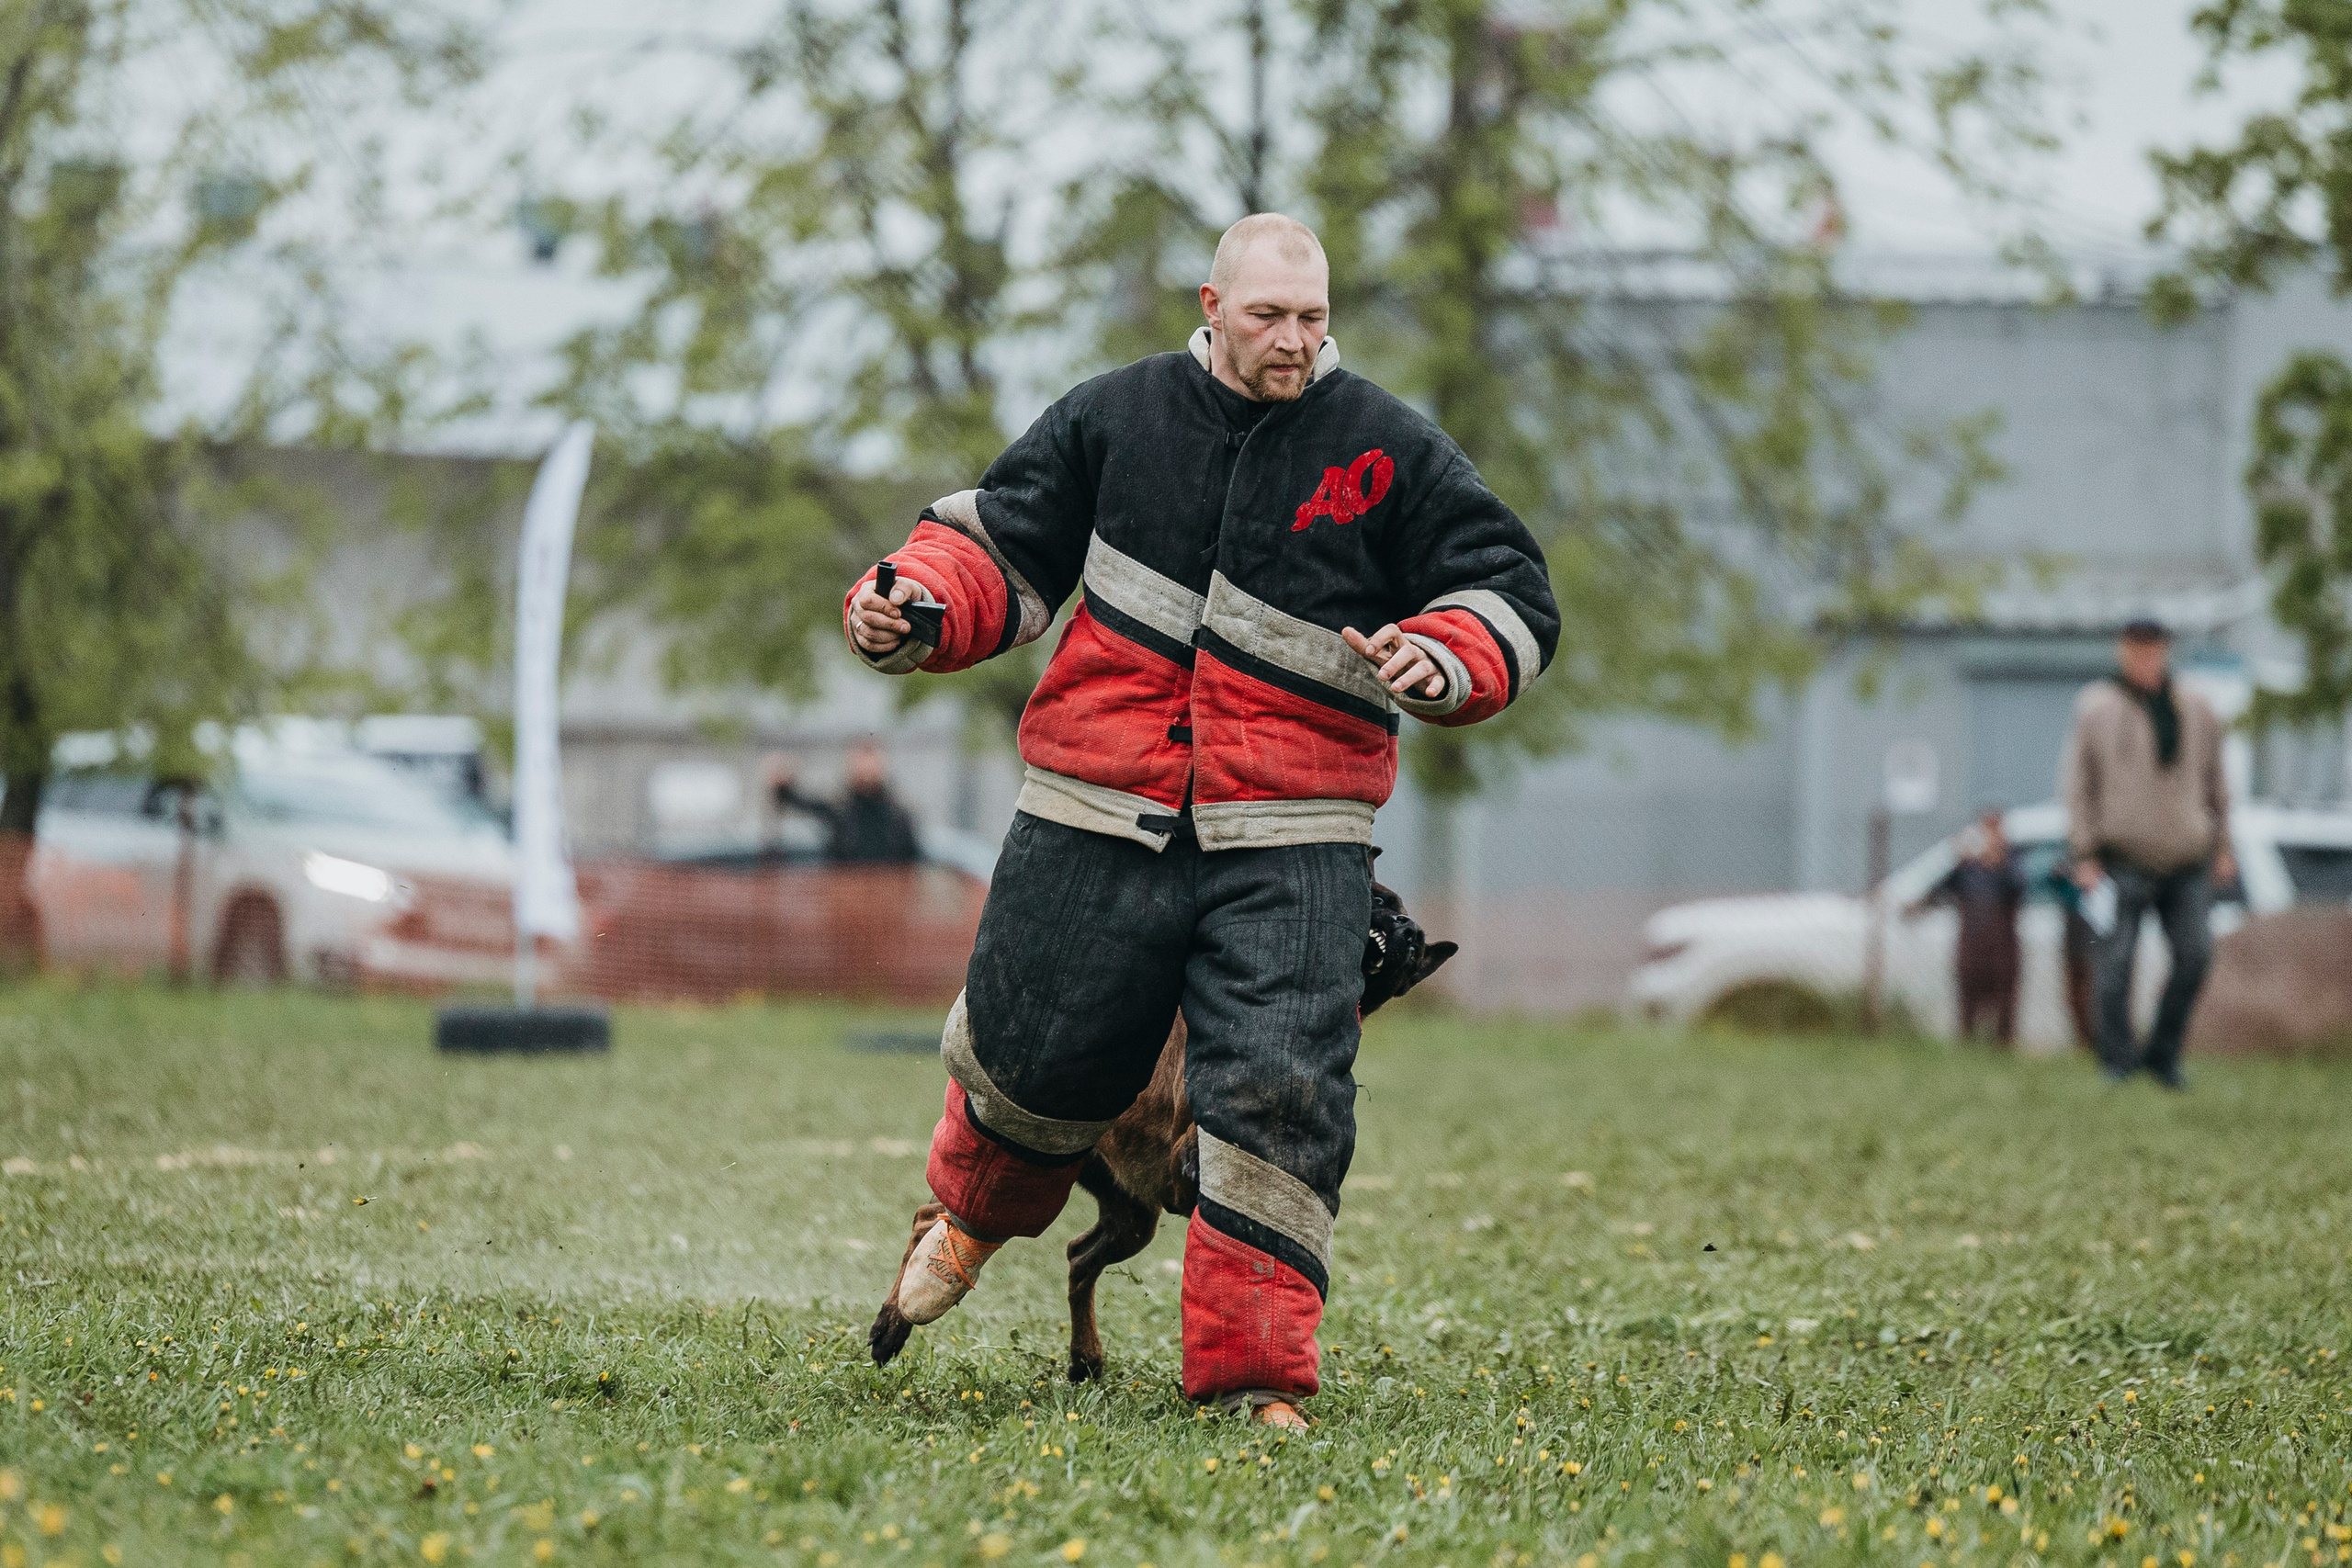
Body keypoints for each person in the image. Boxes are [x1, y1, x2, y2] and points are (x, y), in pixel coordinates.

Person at [844, 213, 1559, 1429]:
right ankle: (965, 1222)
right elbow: (997, 550)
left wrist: (1446, 655)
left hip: (1296, 832)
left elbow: (1506, 586)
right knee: (1032, 1041)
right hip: (1096, 806)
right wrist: (912, 605)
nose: (1294, 339)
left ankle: (1253, 1378)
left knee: (1284, 1092)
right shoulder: (1113, 416)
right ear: (1213, 306)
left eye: (1314, 317)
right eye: (1270, 315)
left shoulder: (1389, 446)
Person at [2062, 618, 2233, 1089]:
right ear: (2122, 652)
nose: (2144, 660)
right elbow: (2079, 784)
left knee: (2195, 956)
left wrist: (2223, 844)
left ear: (2165, 652)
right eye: (2136, 651)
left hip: (2187, 858)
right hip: (2120, 858)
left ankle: (2163, 1054)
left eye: (2153, 651)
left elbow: (2217, 780)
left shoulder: (2195, 707)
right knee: (2114, 965)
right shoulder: (2098, 707)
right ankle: (2117, 1061)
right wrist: (2084, 852)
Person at [1922, 808, 2026, 1045]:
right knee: (1968, 991)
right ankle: (1967, 1040)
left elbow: (2019, 888)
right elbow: (1941, 888)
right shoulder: (1966, 865)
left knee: (2005, 995)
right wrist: (1958, 858)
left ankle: (2004, 1043)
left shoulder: (2012, 859)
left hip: (2002, 943)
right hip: (1972, 940)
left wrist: (1999, 862)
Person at [764, 743, 921, 864]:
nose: (866, 769)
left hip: (889, 890)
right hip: (843, 889)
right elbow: (800, 801)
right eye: (861, 763)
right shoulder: (838, 808)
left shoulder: (900, 815)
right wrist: (782, 784)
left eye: (871, 763)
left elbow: (912, 860)